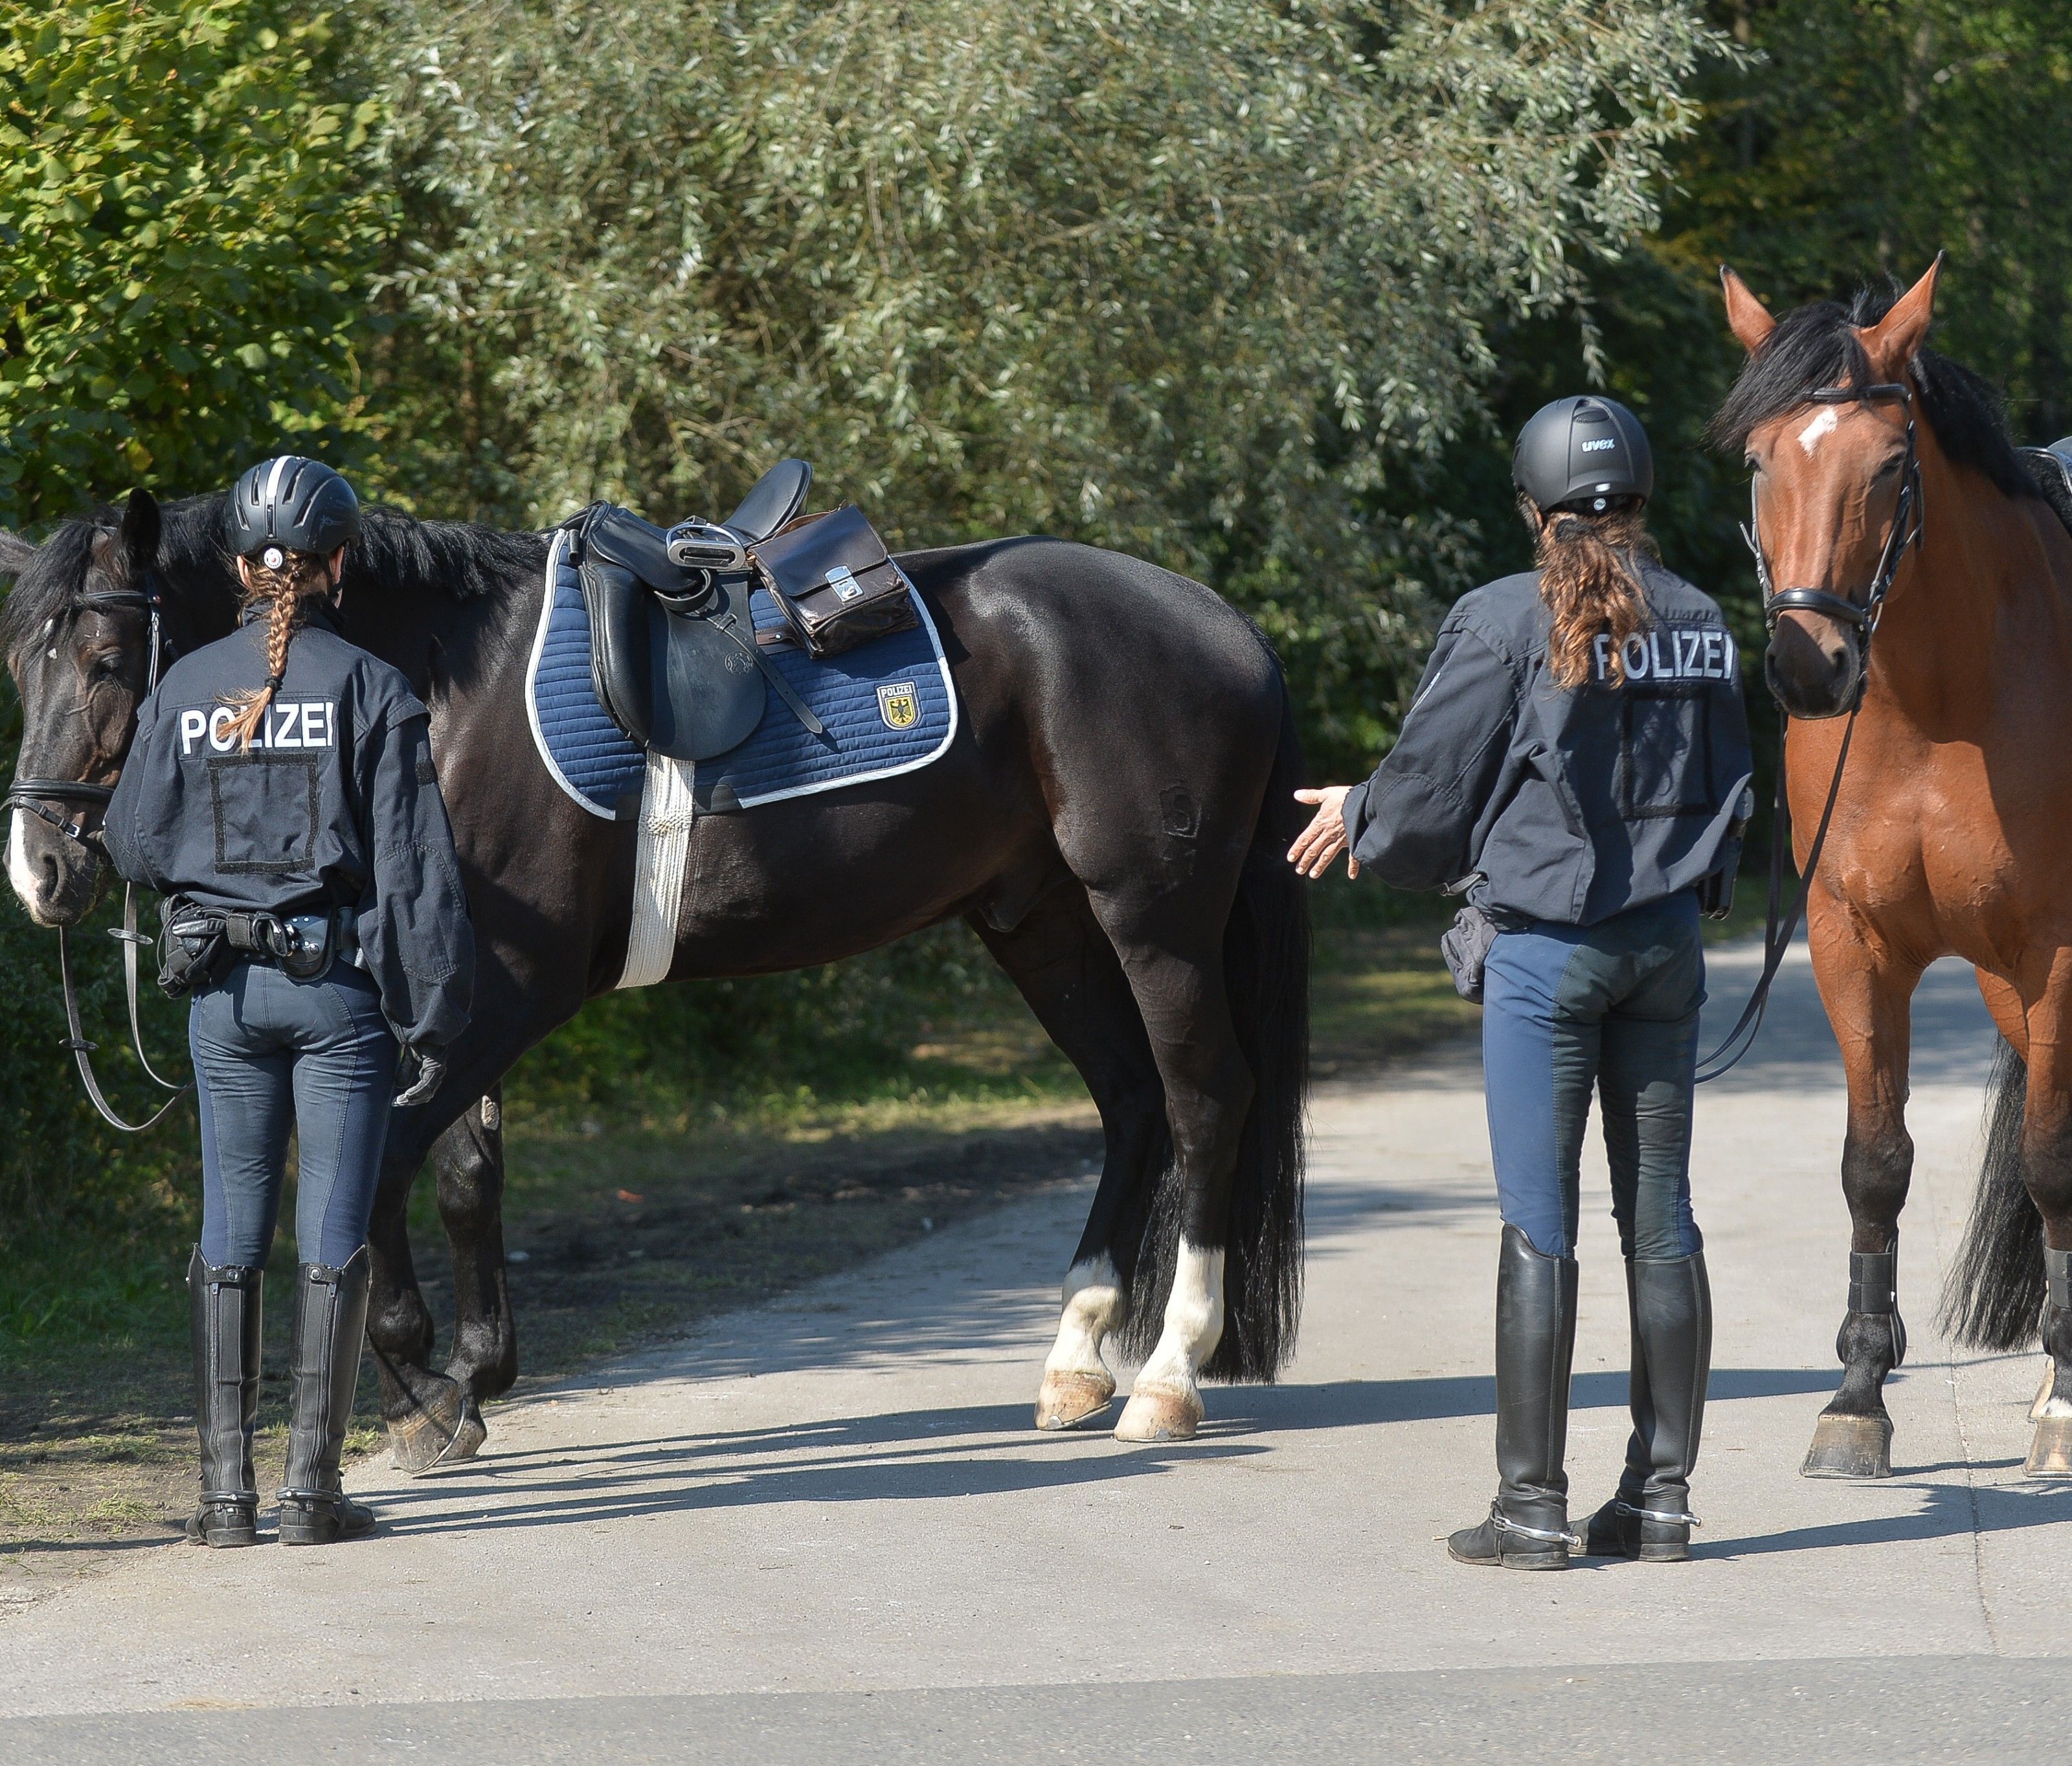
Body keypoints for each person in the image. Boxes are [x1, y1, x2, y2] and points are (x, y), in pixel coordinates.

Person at [1288, 397, 1753, 1570]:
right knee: (1664, 1222)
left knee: (1539, 1224)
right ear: (1641, 498)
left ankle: (1531, 1509)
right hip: (1666, 958)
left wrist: (1364, 813)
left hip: (1547, 962)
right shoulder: (1702, 620)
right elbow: (1736, 790)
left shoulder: (1504, 618)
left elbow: (1429, 796)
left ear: (1533, 509)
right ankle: (1661, 1505)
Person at [104, 456, 475, 1548]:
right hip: (336, 1002)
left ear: (233, 566)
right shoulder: (371, 688)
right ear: (340, 563)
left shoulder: (183, 689)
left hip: (221, 999)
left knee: (229, 1231)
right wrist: (439, 1016)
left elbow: (130, 841)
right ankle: (314, 1493)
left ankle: (226, 1502)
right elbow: (415, 873)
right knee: (332, 1236)